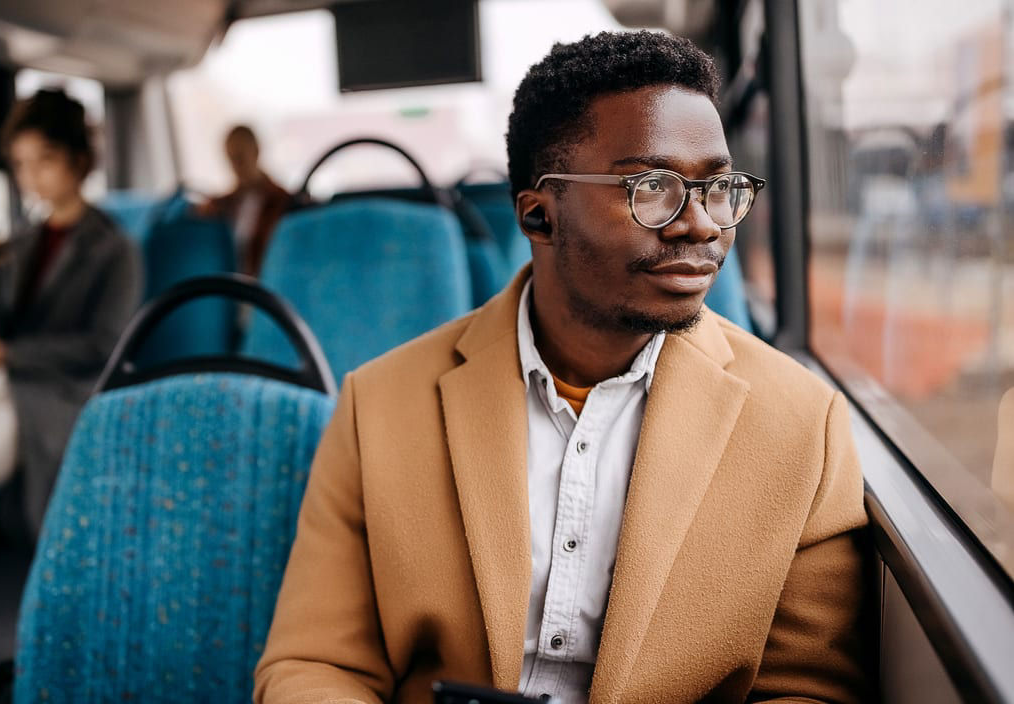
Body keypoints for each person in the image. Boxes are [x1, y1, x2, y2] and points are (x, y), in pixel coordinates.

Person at [255, 32, 872, 703]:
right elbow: (315, 665)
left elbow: (808, 691)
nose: (702, 224)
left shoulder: (801, 423)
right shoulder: (378, 405)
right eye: (651, 187)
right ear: (539, 215)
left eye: (718, 187)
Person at [0, 88, 142, 540]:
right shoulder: (20, 244)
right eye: (20, 164)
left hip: (69, 390)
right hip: (14, 383)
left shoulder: (115, 249)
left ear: (78, 160)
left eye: (44, 160)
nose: (31, 177)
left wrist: (10, 355)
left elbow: (104, 346)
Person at [196, 125, 291, 276]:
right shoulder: (223, 205)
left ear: (256, 152)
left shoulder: (283, 202)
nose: (236, 166)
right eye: (231, 158)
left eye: (241, 157)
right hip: (232, 288)